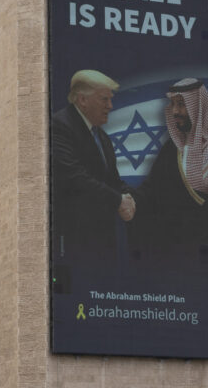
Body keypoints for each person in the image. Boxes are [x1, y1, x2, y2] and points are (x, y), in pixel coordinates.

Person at [51, 69, 135, 268]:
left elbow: (112, 180)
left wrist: (131, 198)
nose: (110, 106)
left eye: (110, 99)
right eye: (104, 100)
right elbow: (75, 177)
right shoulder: (59, 126)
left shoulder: (101, 136)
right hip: (74, 243)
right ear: (82, 100)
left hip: (102, 243)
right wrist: (118, 200)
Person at [127, 78, 208, 260]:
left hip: (203, 251)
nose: (175, 111)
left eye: (182, 104)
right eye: (173, 104)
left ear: (196, 106)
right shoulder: (171, 149)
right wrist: (130, 201)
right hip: (172, 252)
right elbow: (150, 189)